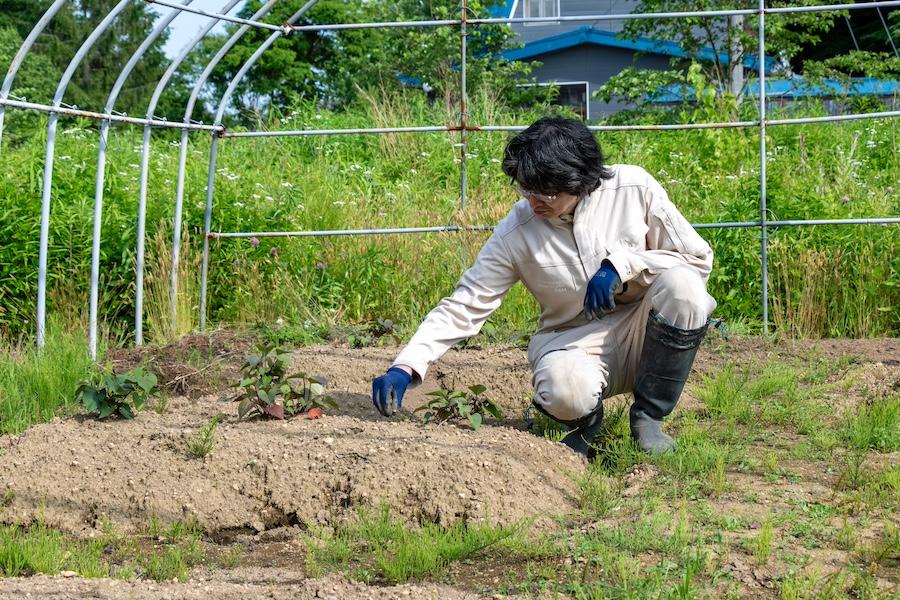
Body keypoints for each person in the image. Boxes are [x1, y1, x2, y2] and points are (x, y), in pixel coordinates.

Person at [371, 116, 717, 457]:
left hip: (647, 329)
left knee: (685, 289)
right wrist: (406, 366)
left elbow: (697, 259)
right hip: (573, 341)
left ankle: (648, 420)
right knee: (564, 391)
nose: (534, 201)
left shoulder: (634, 188)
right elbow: (467, 302)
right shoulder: (516, 231)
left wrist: (623, 264)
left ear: (582, 179)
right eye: (526, 188)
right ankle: (587, 423)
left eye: (547, 193)